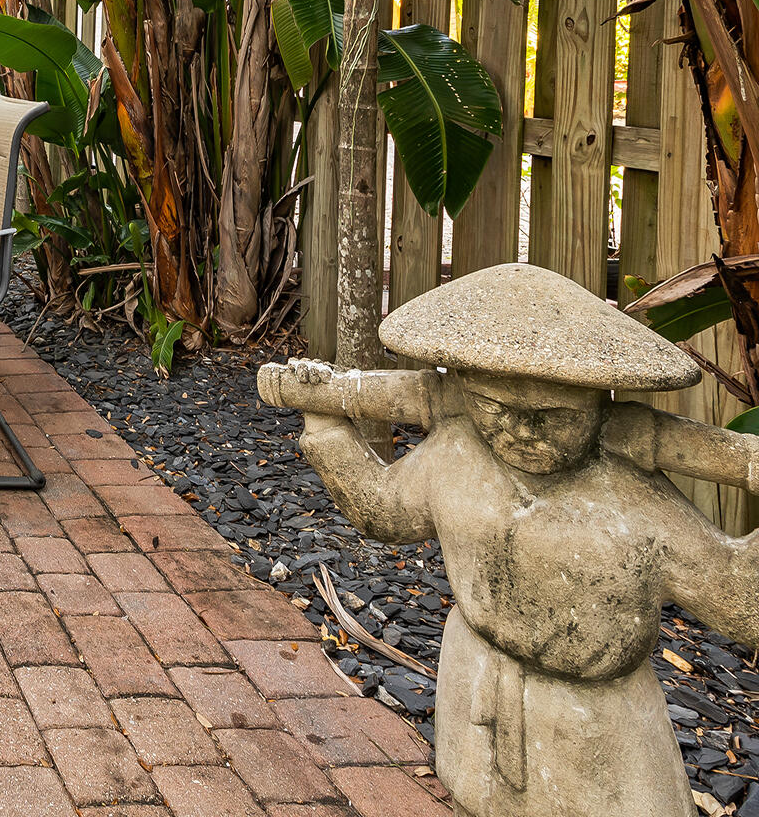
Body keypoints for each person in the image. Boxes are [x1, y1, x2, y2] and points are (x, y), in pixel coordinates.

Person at [272, 264, 759, 817]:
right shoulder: (457, 455)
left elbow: (738, 601)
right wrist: (325, 422)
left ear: (599, 407)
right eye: (495, 410)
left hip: (594, 723)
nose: (521, 431)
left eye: (552, 417)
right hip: (474, 677)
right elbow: (385, 513)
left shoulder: (632, 502)